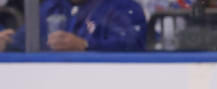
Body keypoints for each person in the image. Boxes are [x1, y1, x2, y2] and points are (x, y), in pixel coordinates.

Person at [0, 0, 146, 52]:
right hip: (51, 83)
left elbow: (132, 45)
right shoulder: (53, 6)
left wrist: (86, 46)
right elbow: (25, 40)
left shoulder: (123, 7)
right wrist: (7, 44)